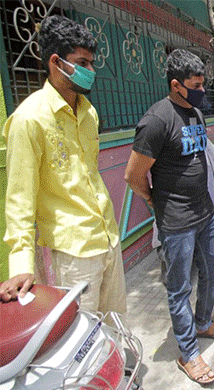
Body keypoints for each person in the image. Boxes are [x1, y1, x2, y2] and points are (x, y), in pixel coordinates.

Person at [0, 15, 126, 315]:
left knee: (115, 324)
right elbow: (19, 198)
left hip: (108, 237)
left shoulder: (88, 113)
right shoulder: (29, 119)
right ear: (56, 62)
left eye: (91, 63)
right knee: (81, 340)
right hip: (73, 254)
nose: (90, 71)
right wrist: (20, 264)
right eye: (82, 63)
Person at [124, 49, 214, 385]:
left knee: (212, 271)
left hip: (205, 215)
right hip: (176, 223)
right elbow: (132, 175)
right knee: (178, 287)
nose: (202, 89)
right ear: (176, 85)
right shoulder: (156, 121)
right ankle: (188, 352)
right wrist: (155, 203)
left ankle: (202, 323)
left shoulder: (195, 112)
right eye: (196, 84)